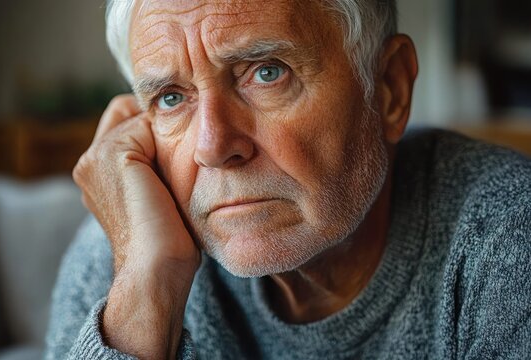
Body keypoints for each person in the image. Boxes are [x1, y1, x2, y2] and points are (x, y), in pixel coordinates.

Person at [45, 0, 531, 359]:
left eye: (266, 72)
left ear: (388, 89)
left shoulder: (510, 240)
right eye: (172, 98)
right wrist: (144, 296)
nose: (213, 146)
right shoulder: (121, 258)